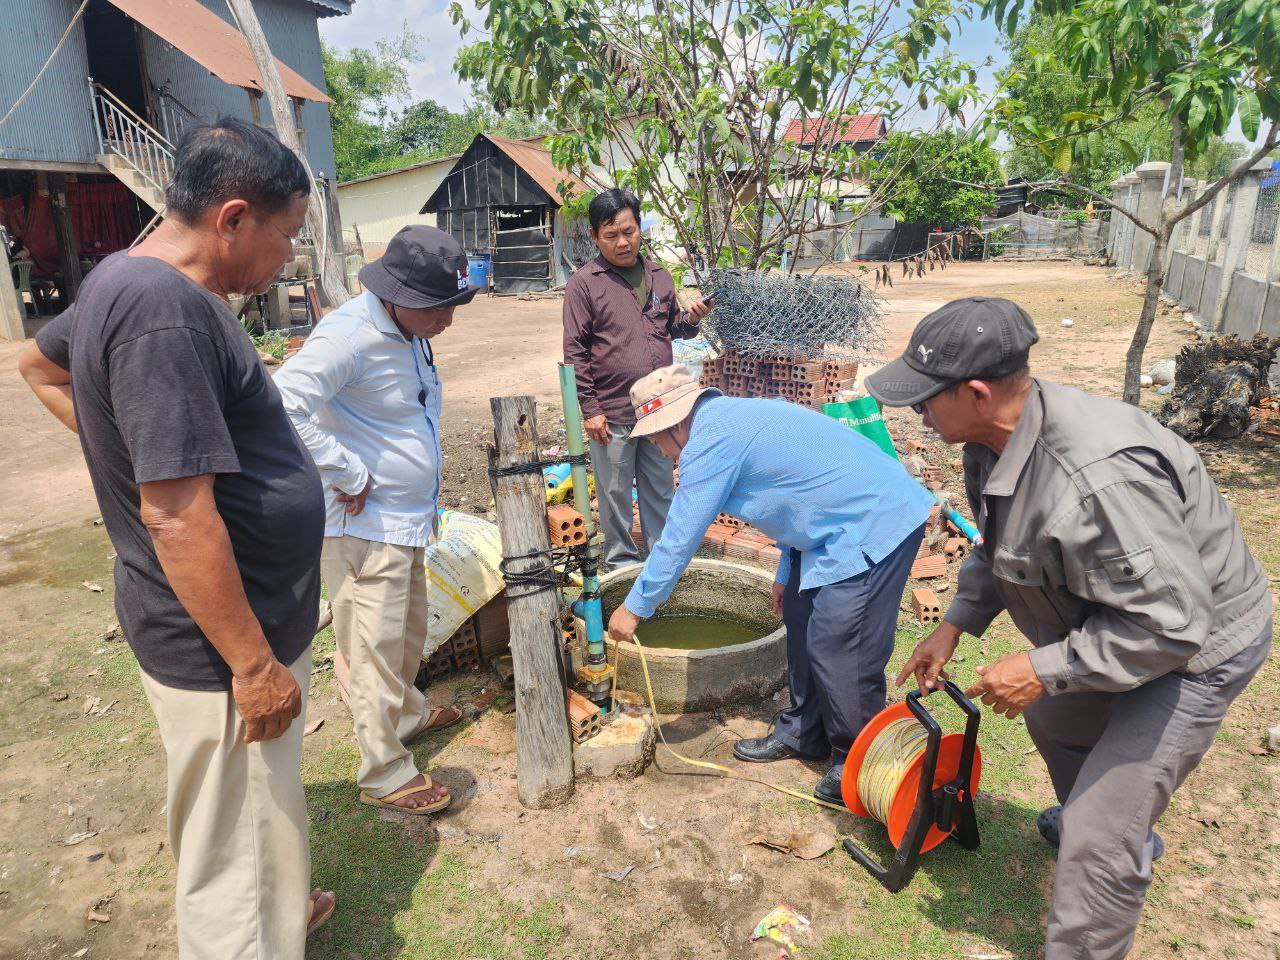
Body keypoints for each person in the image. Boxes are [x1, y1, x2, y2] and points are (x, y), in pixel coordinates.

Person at [866, 296, 1272, 960]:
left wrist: (1041, 668)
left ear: (975, 393)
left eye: (924, 400)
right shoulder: (990, 441)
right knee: (1056, 723)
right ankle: (1112, 829)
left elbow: (1172, 626)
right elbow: (1001, 546)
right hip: (1127, 623)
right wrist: (957, 625)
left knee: (1097, 835)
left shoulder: (1097, 478)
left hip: (1199, 648)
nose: (917, 413)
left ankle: (1106, 848)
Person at [17, 118, 335, 958]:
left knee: (254, 824)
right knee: (233, 855)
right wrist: (255, 666)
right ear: (232, 218)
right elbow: (178, 514)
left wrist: (121, 448)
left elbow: (39, 365)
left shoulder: (129, 278)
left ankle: (280, 909)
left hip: (232, 622)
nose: (290, 259)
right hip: (224, 646)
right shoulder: (163, 312)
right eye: (287, 235)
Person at [606, 364, 934, 802]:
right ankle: (804, 732)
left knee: (839, 642)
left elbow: (678, 538)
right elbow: (798, 494)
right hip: (828, 528)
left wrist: (635, 607)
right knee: (800, 615)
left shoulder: (711, 441)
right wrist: (785, 571)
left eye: (655, 439)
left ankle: (857, 763)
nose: (661, 451)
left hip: (873, 521)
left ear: (675, 422)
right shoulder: (729, 419)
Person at [273, 225, 475, 815]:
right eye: (439, 308)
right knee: (371, 648)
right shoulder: (349, 335)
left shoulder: (409, 332)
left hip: (406, 521)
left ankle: (407, 713)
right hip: (364, 525)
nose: (448, 320)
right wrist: (347, 472)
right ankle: (383, 770)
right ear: (400, 295)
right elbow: (283, 402)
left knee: (405, 635)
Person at [563, 188, 715, 571]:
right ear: (595, 237)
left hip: (659, 410)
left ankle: (662, 563)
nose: (622, 242)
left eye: (629, 231)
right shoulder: (585, 284)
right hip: (611, 413)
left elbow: (672, 328)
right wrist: (591, 409)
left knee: (660, 487)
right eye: (611, 235)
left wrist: (693, 317)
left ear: (640, 229)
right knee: (614, 494)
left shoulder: (660, 276)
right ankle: (621, 566)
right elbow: (575, 351)